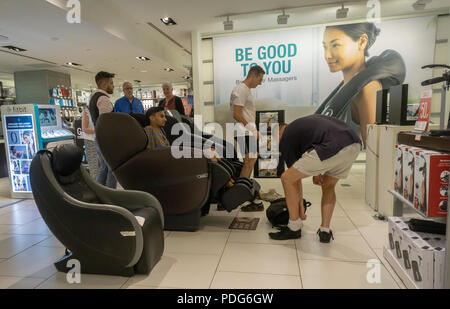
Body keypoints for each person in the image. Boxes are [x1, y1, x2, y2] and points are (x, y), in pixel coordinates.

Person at [269, 115, 361, 242]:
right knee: (328, 186)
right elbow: (315, 146)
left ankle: (294, 228)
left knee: (286, 178)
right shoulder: (300, 127)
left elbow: (293, 179)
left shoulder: (286, 136)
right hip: (354, 144)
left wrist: (300, 207)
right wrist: (316, 173)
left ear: (278, 133)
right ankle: (325, 231)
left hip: (332, 145)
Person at [316, 22, 405, 147]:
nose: (327, 55)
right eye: (325, 47)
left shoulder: (368, 88)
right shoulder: (343, 90)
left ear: (362, 42)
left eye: (335, 45)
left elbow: (373, 148)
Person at [230, 65, 265, 178]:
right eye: (260, 79)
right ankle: (241, 189)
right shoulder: (241, 89)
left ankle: (245, 185)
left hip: (247, 131)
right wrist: (253, 130)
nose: (260, 83)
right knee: (250, 159)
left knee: (251, 159)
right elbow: (236, 114)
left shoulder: (246, 90)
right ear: (254, 75)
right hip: (243, 131)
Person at [88, 71, 117, 189]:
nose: (113, 85)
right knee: (112, 168)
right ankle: (111, 195)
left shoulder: (93, 97)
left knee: (104, 168)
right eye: (111, 83)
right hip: (105, 139)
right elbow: (105, 123)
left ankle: (100, 193)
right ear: (105, 84)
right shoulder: (103, 99)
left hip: (98, 138)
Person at [81, 107, 99, 179]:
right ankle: (96, 187)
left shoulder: (99, 110)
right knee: (94, 167)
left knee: (102, 167)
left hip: (100, 140)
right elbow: (84, 129)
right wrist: (98, 131)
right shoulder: (86, 111)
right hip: (90, 141)